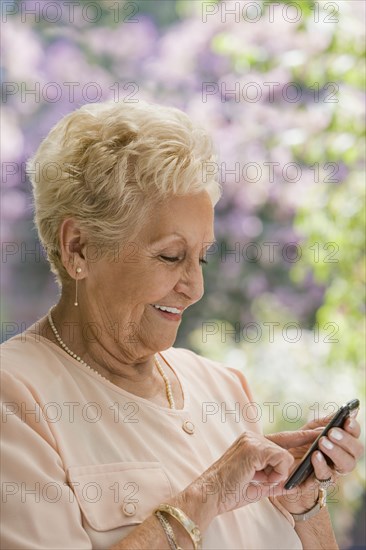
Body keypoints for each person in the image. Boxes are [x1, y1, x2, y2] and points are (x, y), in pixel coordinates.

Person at [0, 100, 363, 550]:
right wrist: (205, 495)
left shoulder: (223, 387)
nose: (195, 288)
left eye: (202, 257)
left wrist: (303, 502)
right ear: (78, 248)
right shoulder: (16, 397)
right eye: (171, 256)